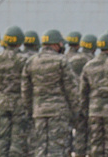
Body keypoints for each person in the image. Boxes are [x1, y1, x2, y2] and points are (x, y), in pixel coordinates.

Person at [22, 29, 78, 157]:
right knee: (57, 149)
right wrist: (75, 111)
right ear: (55, 44)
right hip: (58, 112)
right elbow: (71, 89)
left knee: (40, 148)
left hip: (39, 111)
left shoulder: (31, 61)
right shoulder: (62, 61)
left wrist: (31, 109)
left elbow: (25, 89)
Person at [0, 26, 29, 157]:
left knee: (3, 137)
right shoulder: (24, 59)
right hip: (19, 102)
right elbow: (28, 83)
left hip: (3, 101)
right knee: (17, 138)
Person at [68, 34, 97, 157]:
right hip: (90, 103)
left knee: (79, 133)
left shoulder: (71, 60)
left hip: (75, 102)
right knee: (92, 134)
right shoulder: (93, 62)